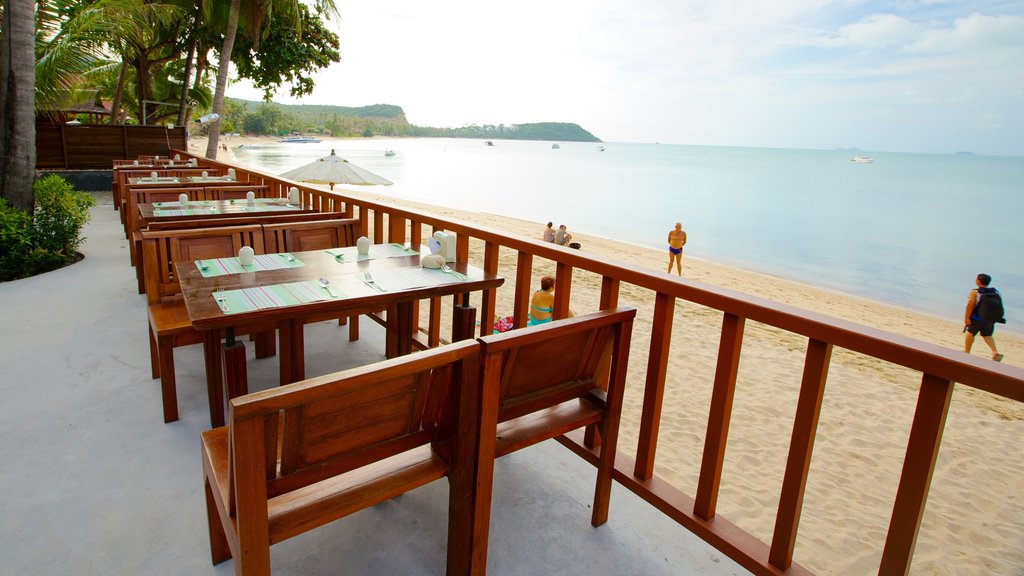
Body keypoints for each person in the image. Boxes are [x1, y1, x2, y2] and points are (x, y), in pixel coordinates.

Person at [964, 273, 1004, 362]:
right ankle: (995, 352)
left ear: (978, 281)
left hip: (977, 318)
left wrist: (966, 318)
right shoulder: (996, 291)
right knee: (987, 335)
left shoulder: (975, 292)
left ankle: (966, 352)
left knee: (970, 333)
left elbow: (970, 305)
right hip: (990, 319)